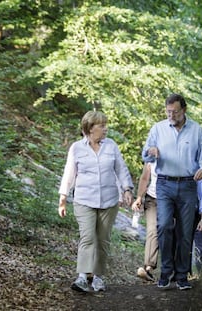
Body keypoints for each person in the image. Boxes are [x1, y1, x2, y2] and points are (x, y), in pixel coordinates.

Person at [142, 93, 202, 290]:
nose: (171, 115)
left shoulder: (197, 131)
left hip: (189, 185)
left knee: (185, 230)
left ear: (184, 110)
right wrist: (150, 152)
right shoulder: (158, 128)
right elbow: (145, 153)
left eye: (175, 111)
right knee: (163, 226)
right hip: (164, 184)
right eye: (168, 111)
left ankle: (181, 275)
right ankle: (165, 272)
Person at [58, 111, 134, 292]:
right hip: (84, 199)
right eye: (102, 126)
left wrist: (127, 189)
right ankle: (83, 277)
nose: (105, 129)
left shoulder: (111, 146)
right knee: (87, 237)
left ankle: (98, 277)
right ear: (90, 128)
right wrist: (63, 198)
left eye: (105, 125)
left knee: (102, 239)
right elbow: (69, 173)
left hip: (109, 201)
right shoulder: (77, 148)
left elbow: (121, 169)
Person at [131, 161, 158, 282]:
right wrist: (139, 197)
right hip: (152, 198)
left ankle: (173, 269)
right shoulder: (151, 158)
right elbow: (144, 178)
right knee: (153, 230)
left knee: (169, 230)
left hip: (172, 199)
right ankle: (148, 268)